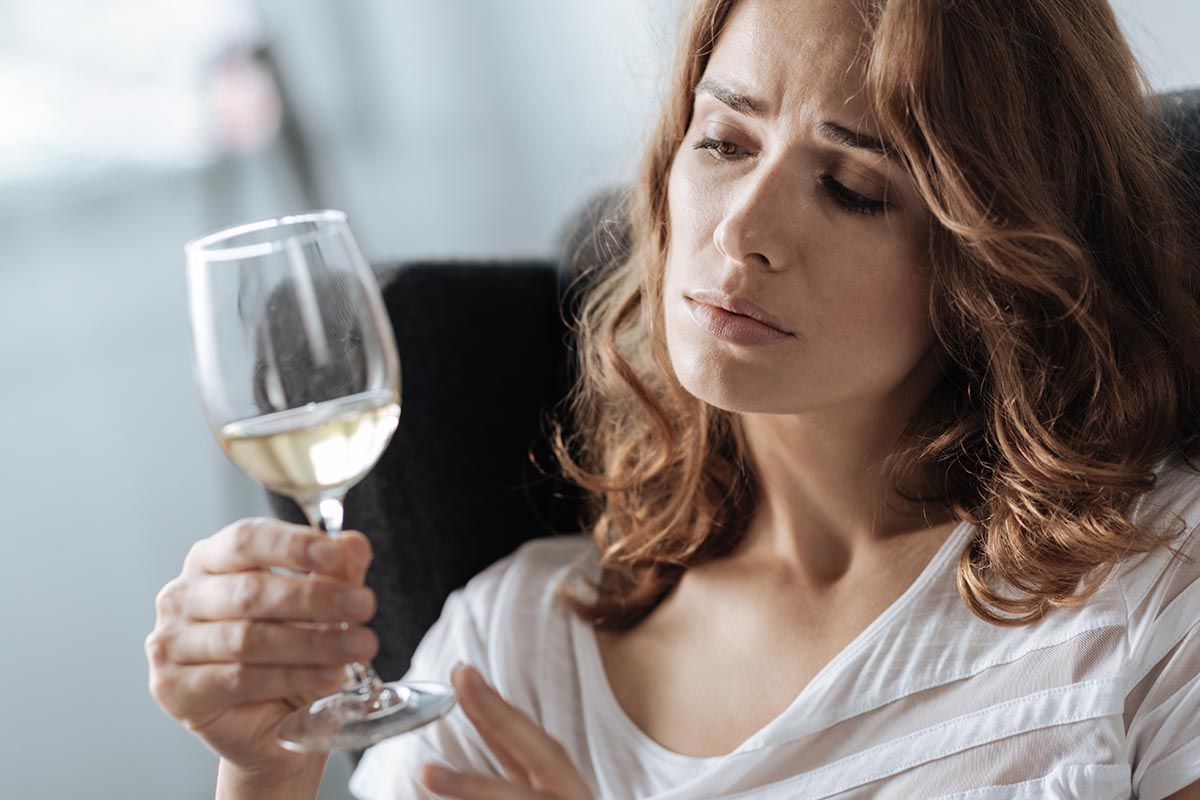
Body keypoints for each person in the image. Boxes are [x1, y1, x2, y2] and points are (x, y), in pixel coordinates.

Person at [147, 0, 1200, 797]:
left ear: (996, 255)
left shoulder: (1154, 599)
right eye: (725, 141)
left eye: (852, 187)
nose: (744, 226)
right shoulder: (513, 649)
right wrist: (265, 769)